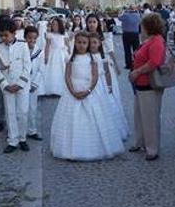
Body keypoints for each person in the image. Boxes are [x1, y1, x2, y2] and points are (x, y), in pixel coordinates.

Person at [51, 32, 125, 161]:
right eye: (79, 42)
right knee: (72, 119)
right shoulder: (70, 58)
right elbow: (67, 76)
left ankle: (93, 149)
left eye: (84, 43)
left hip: (90, 91)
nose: (81, 45)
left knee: (95, 117)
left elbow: (95, 76)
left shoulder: (93, 59)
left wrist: (88, 90)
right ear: (75, 43)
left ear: (88, 44)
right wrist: (72, 91)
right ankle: (71, 149)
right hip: (72, 90)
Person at [128, 13, 167, 161]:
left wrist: (137, 71)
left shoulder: (156, 41)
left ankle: (152, 148)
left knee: (150, 117)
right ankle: (140, 141)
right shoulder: (148, 40)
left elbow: (154, 62)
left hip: (149, 83)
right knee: (139, 114)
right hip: (140, 83)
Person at [0, 19, 33, 153]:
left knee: (22, 112)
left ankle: (22, 138)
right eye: (1, 35)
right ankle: (12, 140)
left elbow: (27, 66)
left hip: (22, 85)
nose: (3, 38)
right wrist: (4, 84)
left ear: (14, 33)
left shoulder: (23, 46)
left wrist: (20, 83)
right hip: (8, 85)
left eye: (6, 35)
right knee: (10, 113)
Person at [89, 32, 129, 142]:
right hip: (91, 83)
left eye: (95, 43)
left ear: (99, 44)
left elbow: (107, 72)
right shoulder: (87, 56)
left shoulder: (103, 57)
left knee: (106, 105)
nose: (92, 45)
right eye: (90, 43)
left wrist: (109, 86)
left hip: (101, 83)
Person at [25, 26, 45, 142]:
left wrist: (35, 83)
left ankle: (32, 130)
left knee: (32, 107)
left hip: (33, 83)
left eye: (34, 38)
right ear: (25, 37)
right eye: (29, 38)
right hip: (22, 83)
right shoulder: (21, 49)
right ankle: (19, 129)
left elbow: (41, 69)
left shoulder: (39, 52)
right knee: (21, 108)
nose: (31, 41)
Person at [43, 17, 69, 96]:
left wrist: (69, 53)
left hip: (62, 54)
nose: (54, 26)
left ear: (60, 25)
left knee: (62, 70)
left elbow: (67, 45)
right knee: (53, 71)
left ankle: (62, 89)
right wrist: (46, 56)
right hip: (53, 54)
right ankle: (52, 89)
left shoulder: (64, 34)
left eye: (56, 25)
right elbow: (47, 46)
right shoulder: (50, 35)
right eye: (53, 24)